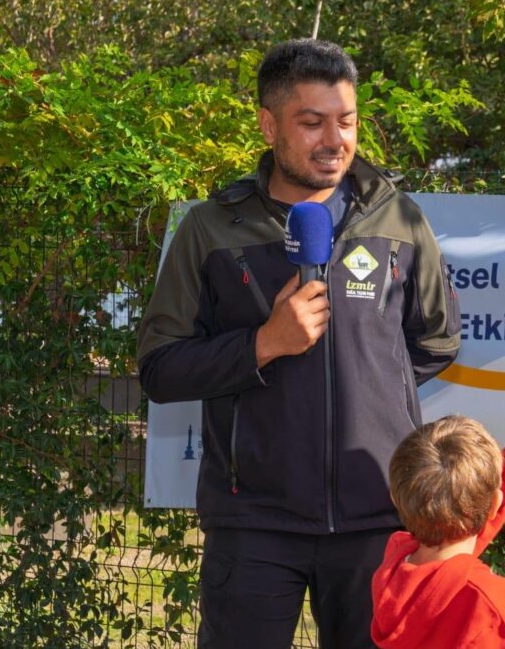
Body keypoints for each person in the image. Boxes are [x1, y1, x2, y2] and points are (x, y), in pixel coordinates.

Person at [136, 38, 461, 649]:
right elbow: (160, 368)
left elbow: (436, 341)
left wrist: (368, 388)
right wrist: (262, 345)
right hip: (253, 522)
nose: (334, 140)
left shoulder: (401, 220)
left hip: (379, 519)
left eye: (347, 121)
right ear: (269, 124)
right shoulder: (211, 228)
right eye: (311, 123)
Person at [370, 409, 505, 648]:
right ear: (496, 502)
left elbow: (456, 540)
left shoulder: (396, 565)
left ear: (394, 497)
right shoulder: (486, 602)